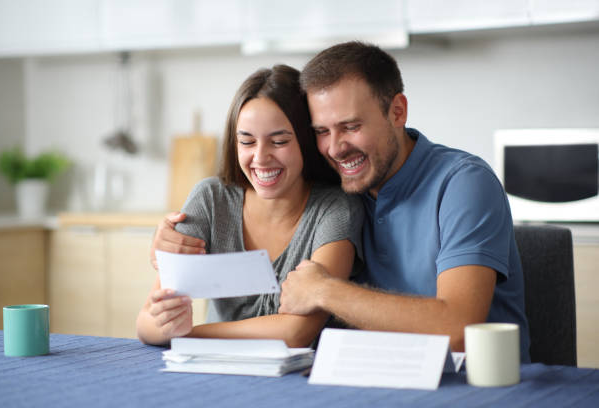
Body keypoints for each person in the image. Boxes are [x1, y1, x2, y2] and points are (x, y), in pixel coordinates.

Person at [150, 42, 531, 362]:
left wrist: (325, 289)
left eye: (351, 126)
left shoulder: (462, 183)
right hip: (371, 381)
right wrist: (167, 243)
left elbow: (458, 331)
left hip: (477, 386)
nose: (335, 148)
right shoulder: (348, 186)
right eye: (321, 131)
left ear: (397, 111)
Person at [137, 64, 364, 347]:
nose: (260, 157)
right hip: (216, 372)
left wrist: (189, 335)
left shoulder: (336, 209)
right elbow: (147, 322)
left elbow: (296, 332)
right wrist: (164, 323)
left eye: (279, 141)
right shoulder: (211, 199)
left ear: (306, 141)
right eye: (246, 141)